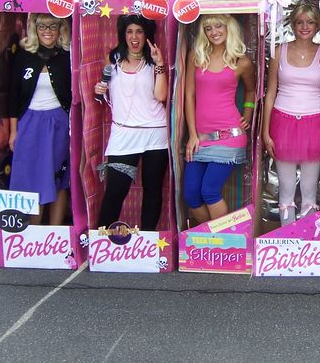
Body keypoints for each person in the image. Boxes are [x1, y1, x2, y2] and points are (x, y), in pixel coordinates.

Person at [262, 0, 320, 226]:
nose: (305, 26)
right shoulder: (278, 52)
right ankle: (287, 240)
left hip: (315, 123)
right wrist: (265, 132)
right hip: (282, 122)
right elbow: (270, 93)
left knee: (309, 190)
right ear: (293, 25)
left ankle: (307, 242)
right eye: (300, 22)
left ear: (317, 26)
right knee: (285, 189)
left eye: (310, 22)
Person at [94, 14, 169, 231]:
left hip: (155, 133)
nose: (134, 36)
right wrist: (99, 90)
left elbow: (161, 95)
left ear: (147, 35)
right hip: (123, 134)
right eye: (129, 31)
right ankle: (104, 239)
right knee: (115, 189)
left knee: (152, 190)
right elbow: (103, 91)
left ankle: (146, 240)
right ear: (123, 35)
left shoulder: (152, 61)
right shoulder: (113, 60)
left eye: (139, 31)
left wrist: (160, 64)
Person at [183, 14, 256, 225]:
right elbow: (189, 96)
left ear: (229, 28)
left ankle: (221, 244)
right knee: (191, 194)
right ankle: (214, 238)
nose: (214, 32)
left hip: (229, 135)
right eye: (208, 28)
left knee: (209, 191)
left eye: (219, 26)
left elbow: (251, 91)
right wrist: (192, 135)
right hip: (200, 138)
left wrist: (248, 114)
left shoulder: (241, 61)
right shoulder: (196, 56)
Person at [9, 13, 72, 225]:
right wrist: (13, 131)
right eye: (42, 26)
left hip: (59, 124)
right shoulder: (24, 56)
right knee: (31, 177)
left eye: (53, 26)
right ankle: (34, 233)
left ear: (60, 28)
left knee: (59, 179)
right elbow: (12, 95)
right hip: (29, 123)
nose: (47, 31)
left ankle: (54, 233)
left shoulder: (66, 56)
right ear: (34, 28)